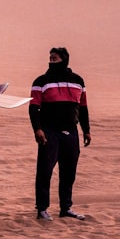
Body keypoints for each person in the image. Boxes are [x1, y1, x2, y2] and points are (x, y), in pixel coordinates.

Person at [29, 47, 91, 221]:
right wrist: (37, 129)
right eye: (50, 58)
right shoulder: (41, 81)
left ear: (64, 59)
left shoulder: (78, 81)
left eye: (54, 58)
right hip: (49, 131)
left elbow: (83, 108)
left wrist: (86, 130)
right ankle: (42, 209)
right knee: (45, 171)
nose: (51, 61)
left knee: (68, 172)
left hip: (71, 132)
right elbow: (34, 108)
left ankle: (66, 208)